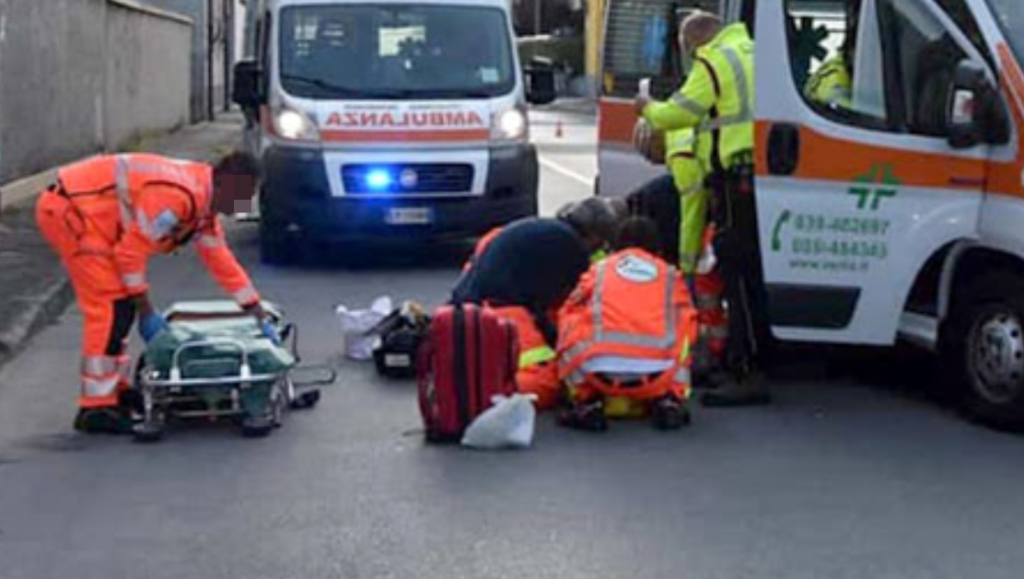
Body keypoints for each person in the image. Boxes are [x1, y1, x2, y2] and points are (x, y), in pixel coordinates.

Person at [36, 151, 275, 433]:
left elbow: (223, 263)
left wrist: (256, 312)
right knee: (111, 308)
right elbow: (130, 253)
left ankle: (116, 391)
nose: (245, 205)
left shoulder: (202, 206)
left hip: (89, 215)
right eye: (244, 194)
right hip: (74, 214)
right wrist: (147, 310)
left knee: (120, 306)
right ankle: (96, 408)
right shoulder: (177, 199)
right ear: (227, 183)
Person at [636, 11, 770, 407]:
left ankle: (747, 371)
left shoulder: (714, 59)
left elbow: (677, 113)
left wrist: (646, 106)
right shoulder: (756, 52)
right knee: (755, 273)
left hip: (734, 177)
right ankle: (755, 360)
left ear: (692, 42)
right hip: (765, 174)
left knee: (737, 271)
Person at [557, 217, 697, 431]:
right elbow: (689, 318)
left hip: (598, 373)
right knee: (684, 324)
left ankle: (586, 402)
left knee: (570, 319)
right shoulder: (670, 275)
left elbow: (568, 308)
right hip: (656, 374)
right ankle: (671, 399)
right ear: (656, 249)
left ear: (616, 246)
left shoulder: (600, 269)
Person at [450, 212, 601, 410]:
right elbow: (575, 295)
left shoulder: (541, 230)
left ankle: (479, 389)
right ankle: (486, 395)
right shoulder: (567, 243)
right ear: (591, 236)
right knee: (544, 379)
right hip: (500, 309)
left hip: (471, 304)